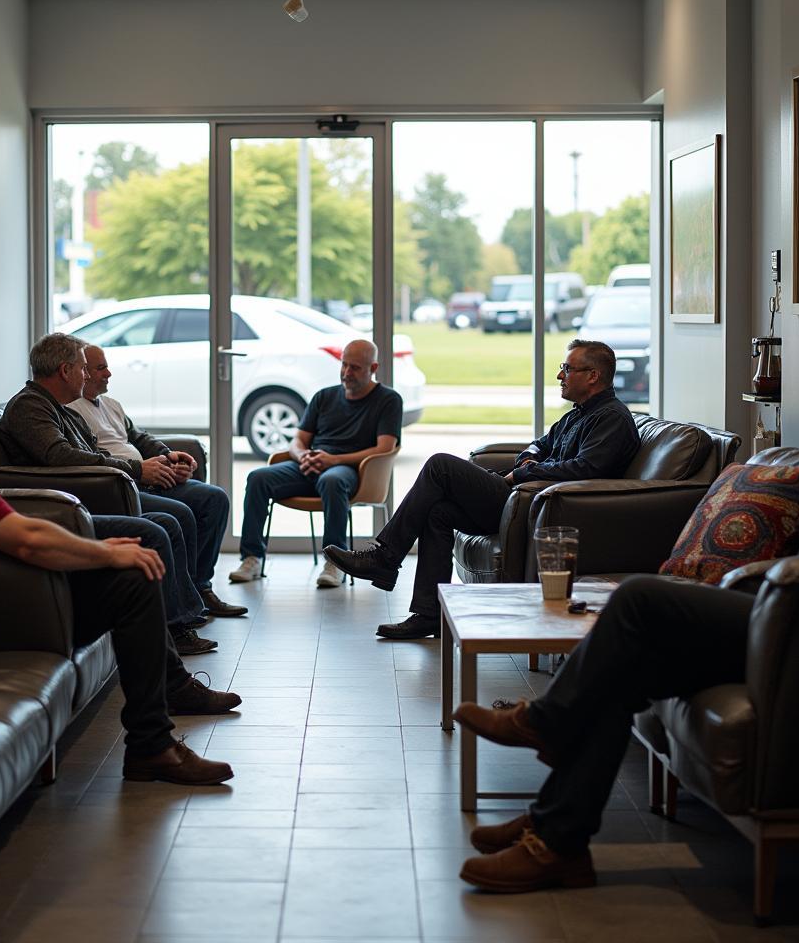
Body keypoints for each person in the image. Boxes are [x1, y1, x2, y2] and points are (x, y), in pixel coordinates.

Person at [0, 345, 240, 785]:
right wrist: (105, 551)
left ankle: (159, 727)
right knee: (131, 574)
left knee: (131, 574)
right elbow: (25, 538)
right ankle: (154, 741)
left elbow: (2, 526)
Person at [449, 574, 755, 892]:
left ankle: (544, 724)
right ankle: (556, 839)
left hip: (791, 619)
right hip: (761, 607)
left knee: (637, 595)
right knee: (619, 675)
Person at [323, 340, 641, 639]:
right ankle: (428, 613)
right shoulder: (577, 415)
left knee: (440, 465)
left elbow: (585, 470)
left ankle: (385, 556)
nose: (560, 375)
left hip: (536, 507)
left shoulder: (611, 418)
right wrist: (529, 460)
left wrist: (523, 473)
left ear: (594, 376)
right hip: (523, 500)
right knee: (437, 512)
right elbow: (538, 445)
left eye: (568, 369)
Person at [0, 333, 222, 655]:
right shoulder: (30, 407)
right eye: (83, 368)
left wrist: (145, 464)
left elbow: (100, 449)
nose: (87, 375)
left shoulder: (59, 408)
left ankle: (182, 616)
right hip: (74, 503)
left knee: (177, 516)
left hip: (101, 490)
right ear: (64, 371)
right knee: (166, 524)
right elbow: (61, 457)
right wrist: (136, 470)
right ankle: (175, 628)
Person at [67, 343, 245, 619]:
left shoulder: (112, 405)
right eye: (101, 368)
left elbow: (139, 438)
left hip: (150, 474)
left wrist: (169, 456)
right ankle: (185, 602)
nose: (109, 373)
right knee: (180, 513)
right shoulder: (72, 411)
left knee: (215, 498)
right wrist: (140, 469)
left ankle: (200, 588)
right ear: (84, 372)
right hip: (124, 483)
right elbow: (92, 458)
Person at [229, 339, 403, 589]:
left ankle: (335, 563)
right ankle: (252, 558)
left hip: (353, 471)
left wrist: (334, 460)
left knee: (331, 480)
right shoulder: (324, 396)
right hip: (310, 466)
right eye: (344, 365)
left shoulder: (388, 400)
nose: (346, 373)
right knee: (258, 478)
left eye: (355, 368)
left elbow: (384, 448)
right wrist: (303, 456)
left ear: (373, 368)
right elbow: (298, 440)